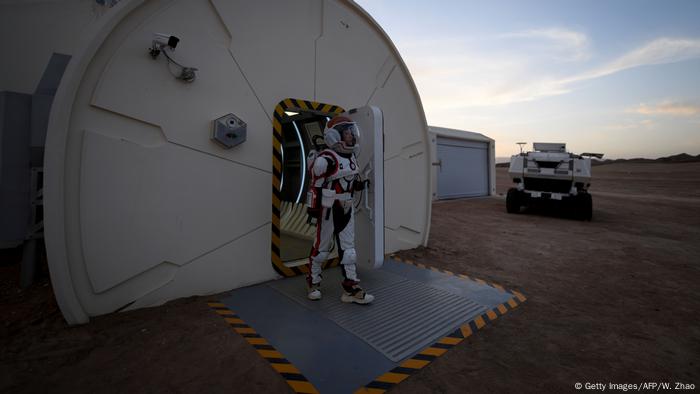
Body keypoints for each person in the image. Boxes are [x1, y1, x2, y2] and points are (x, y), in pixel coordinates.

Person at [305, 115, 374, 304]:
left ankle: (351, 289)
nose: (351, 136)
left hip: (346, 208)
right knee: (321, 249)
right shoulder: (325, 159)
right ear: (335, 136)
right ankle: (313, 283)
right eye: (347, 132)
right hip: (328, 210)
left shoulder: (351, 156)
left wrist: (359, 186)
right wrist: (313, 208)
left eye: (352, 132)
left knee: (349, 250)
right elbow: (315, 185)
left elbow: (350, 181)